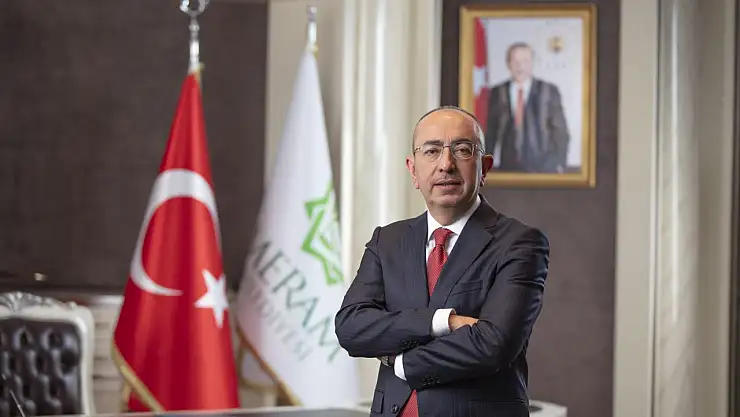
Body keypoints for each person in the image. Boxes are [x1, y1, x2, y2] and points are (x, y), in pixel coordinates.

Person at [334, 106, 550, 417]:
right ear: (413, 170)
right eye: (432, 151)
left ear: (484, 167)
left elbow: (494, 344)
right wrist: (444, 322)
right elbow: (351, 327)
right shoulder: (387, 241)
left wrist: (401, 362)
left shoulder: (520, 242)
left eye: (462, 150)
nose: (446, 165)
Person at [486, 42, 570, 173]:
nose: (520, 66)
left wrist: (559, 163)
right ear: (508, 64)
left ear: (532, 63)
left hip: (543, 170)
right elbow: (490, 133)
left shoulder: (548, 91)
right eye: (515, 61)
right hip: (508, 169)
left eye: (525, 61)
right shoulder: (498, 92)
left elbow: (560, 132)